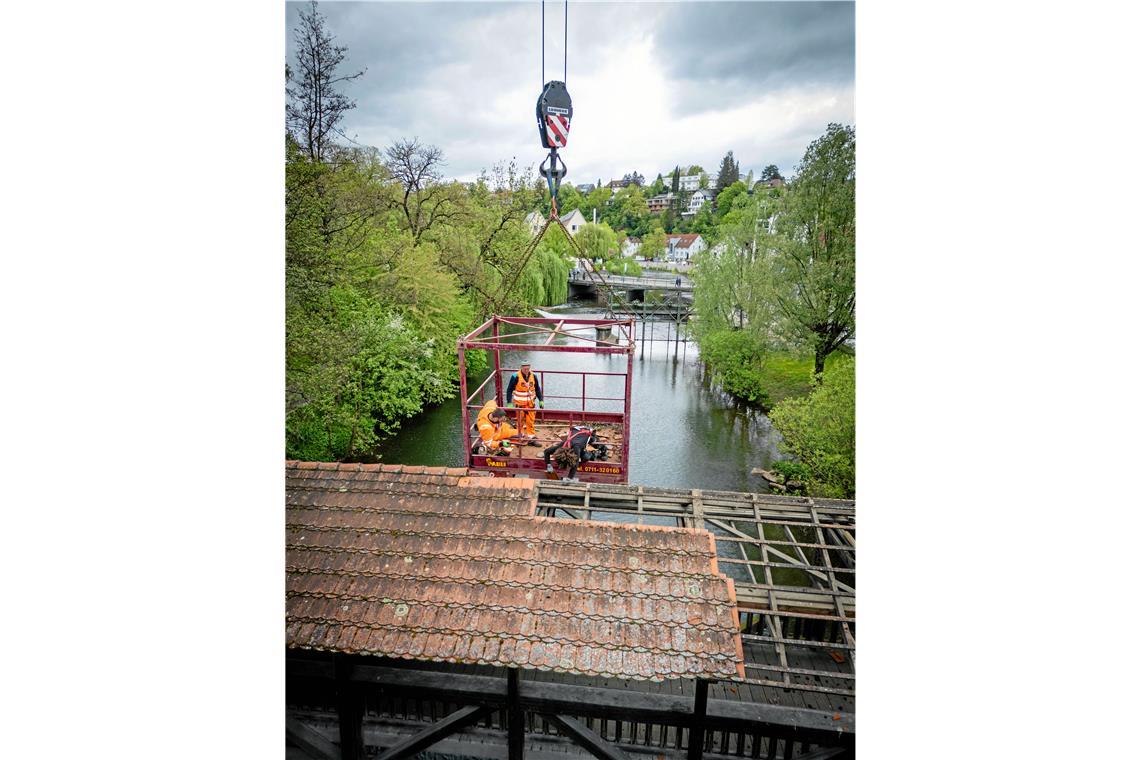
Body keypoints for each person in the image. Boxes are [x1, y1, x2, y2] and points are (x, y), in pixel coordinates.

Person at [543, 423, 609, 481]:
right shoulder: (561, 445)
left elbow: (576, 464)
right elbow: (546, 452)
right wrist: (548, 465)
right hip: (577, 431)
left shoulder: (576, 448)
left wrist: (569, 478)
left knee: (586, 456)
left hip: (588, 432)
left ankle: (600, 453)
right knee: (581, 453)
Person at [505, 361, 544, 440]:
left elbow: (537, 389)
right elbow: (509, 390)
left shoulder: (533, 376)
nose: (526, 370)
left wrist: (541, 400)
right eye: (525, 368)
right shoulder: (515, 376)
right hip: (519, 404)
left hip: (530, 404)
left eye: (528, 368)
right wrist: (509, 402)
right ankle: (520, 435)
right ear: (521, 368)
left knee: (531, 421)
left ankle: (531, 437)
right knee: (520, 421)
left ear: (530, 368)